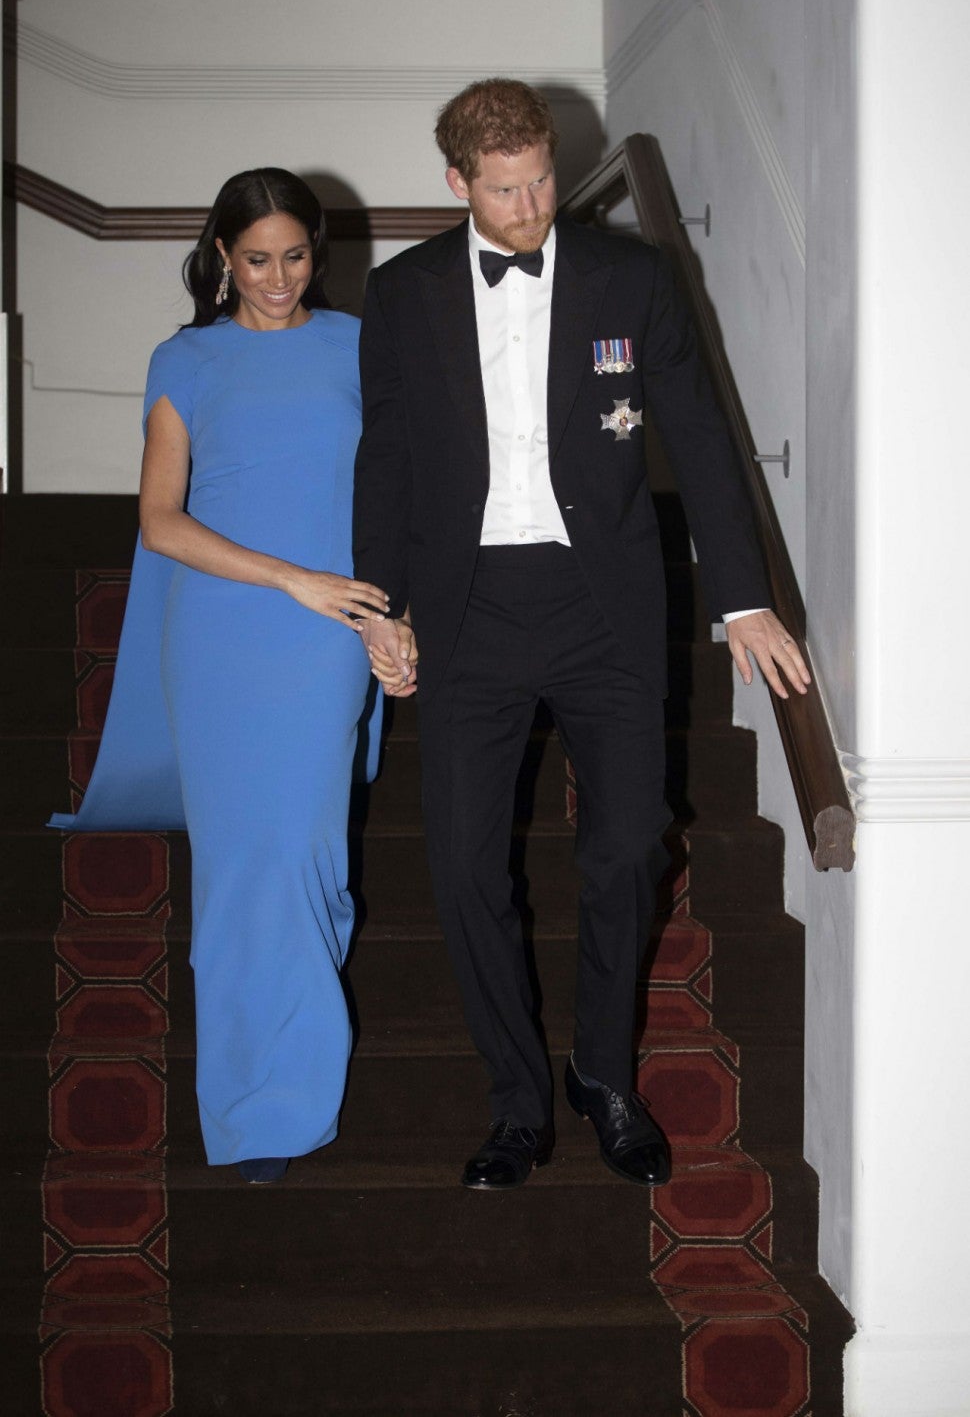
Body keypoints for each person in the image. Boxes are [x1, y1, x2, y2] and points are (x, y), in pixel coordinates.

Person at [353, 79, 809, 1192]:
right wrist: (382, 604)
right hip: (467, 608)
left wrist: (741, 595)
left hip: (601, 603)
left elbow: (698, 434)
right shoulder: (403, 292)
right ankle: (516, 1102)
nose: (531, 207)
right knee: (463, 864)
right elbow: (388, 455)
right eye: (504, 190)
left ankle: (602, 1074)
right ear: (457, 183)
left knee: (631, 842)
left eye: (543, 181)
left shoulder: (632, 275)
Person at [50, 168, 389, 1185]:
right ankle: (259, 1105)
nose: (277, 278)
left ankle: (291, 1043)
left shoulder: (361, 345)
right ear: (221, 259)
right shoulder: (186, 358)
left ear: (317, 253)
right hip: (224, 636)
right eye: (256, 260)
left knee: (307, 857)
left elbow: (400, 492)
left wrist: (387, 613)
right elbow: (160, 520)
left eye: (295, 256)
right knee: (248, 865)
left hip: (326, 638)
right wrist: (292, 578)